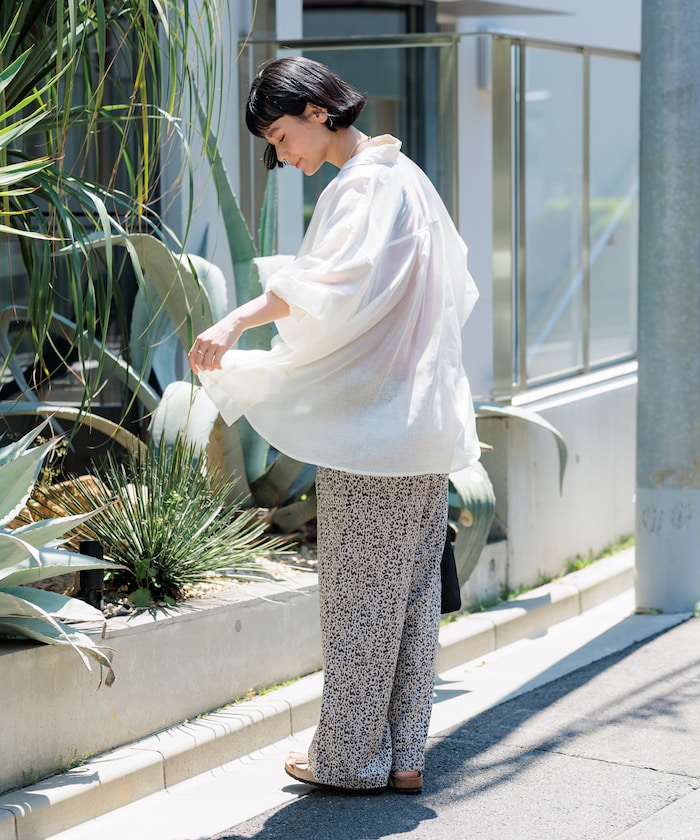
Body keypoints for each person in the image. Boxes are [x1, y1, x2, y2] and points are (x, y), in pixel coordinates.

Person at [188, 56, 480, 794]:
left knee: (358, 600)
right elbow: (455, 290)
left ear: (318, 111)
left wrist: (235, 321)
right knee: (410, 598)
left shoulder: (366, 185)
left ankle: (349, 760)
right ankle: (403, 756)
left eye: (282, 137)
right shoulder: (406, 177)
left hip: (376, 431)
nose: (283, 156)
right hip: (422, 425)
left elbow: (327, 285)